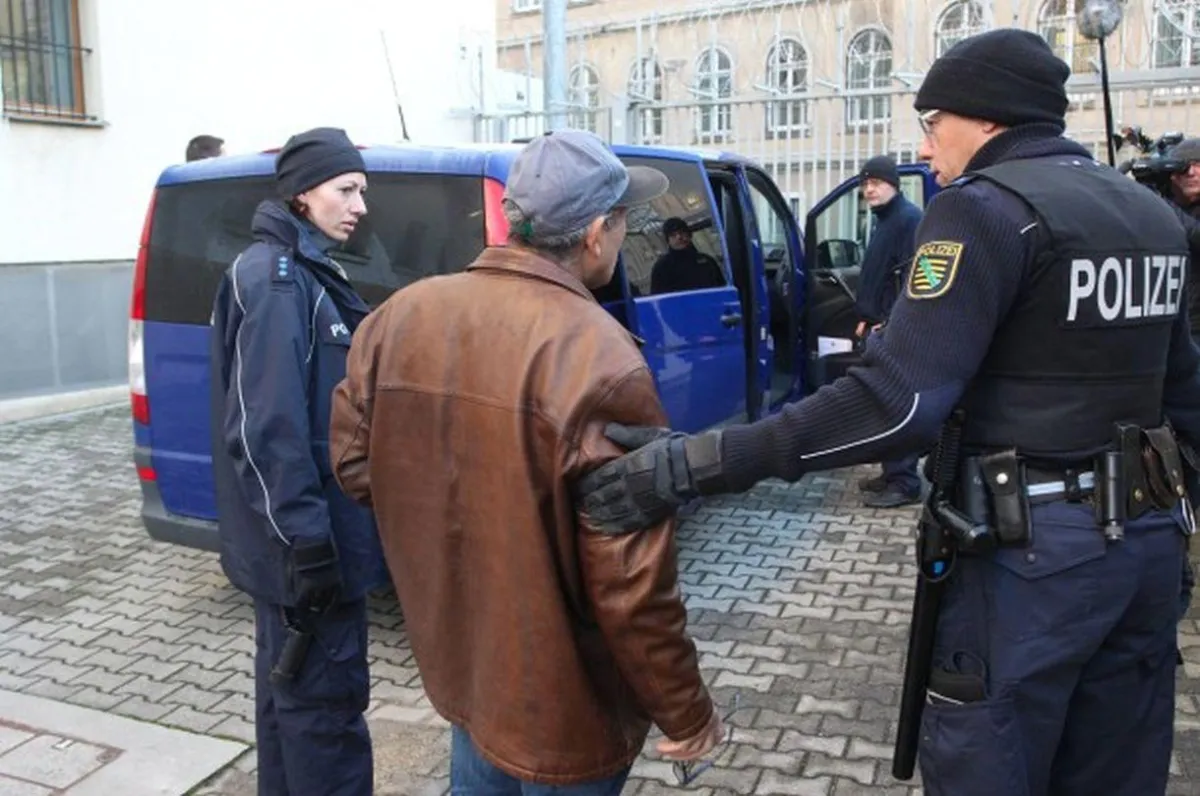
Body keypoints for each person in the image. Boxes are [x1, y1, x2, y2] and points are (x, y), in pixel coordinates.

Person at [575, 29, 1200, 796]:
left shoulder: (986, 211)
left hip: (1034, 563)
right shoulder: (1150, 215)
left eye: (933, 123)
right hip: (1146, 546)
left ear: (988, 120)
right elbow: (1184, 397)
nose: (926, 144)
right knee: (1115, 768)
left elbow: (894, 404)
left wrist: (694, 465)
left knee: (989, 759)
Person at [328, 129, 723, 795]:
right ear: (598, 231)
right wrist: (687, 713)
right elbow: (632, 583)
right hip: (567, 709)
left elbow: (355, 464)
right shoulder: (601, 356)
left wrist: (458, 532)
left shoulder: (400, 316)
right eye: (626, 219)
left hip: (468, 672)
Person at [209, 127, 386, 795]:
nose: (360, 204)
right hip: (310, 558)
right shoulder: (278, 280)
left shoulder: (305, 271)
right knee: (325, 723)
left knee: (291, 715)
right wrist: (309, 543)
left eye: (362, 190)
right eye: (346, 189)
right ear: (302, 194)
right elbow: (266, 429)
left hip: (304, 553)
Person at [852, 154, 924, 508]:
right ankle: (891, 471)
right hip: (880, 328)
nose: (869, 189)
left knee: (897, 405)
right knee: (881, 405)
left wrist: (893, 320)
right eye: (865, 184)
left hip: (896, 332)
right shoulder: (884, 221)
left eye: (876, 182)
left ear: (894, 184)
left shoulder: (908, 220)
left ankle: (905, 481)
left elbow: (915, 280)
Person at [650, 216, 725, 294]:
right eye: (673, 235)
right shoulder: (662, 267)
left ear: (689, 235)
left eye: (682, 232)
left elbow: (722, 288)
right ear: (668, 241)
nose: (679, 237)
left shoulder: (707, 261)